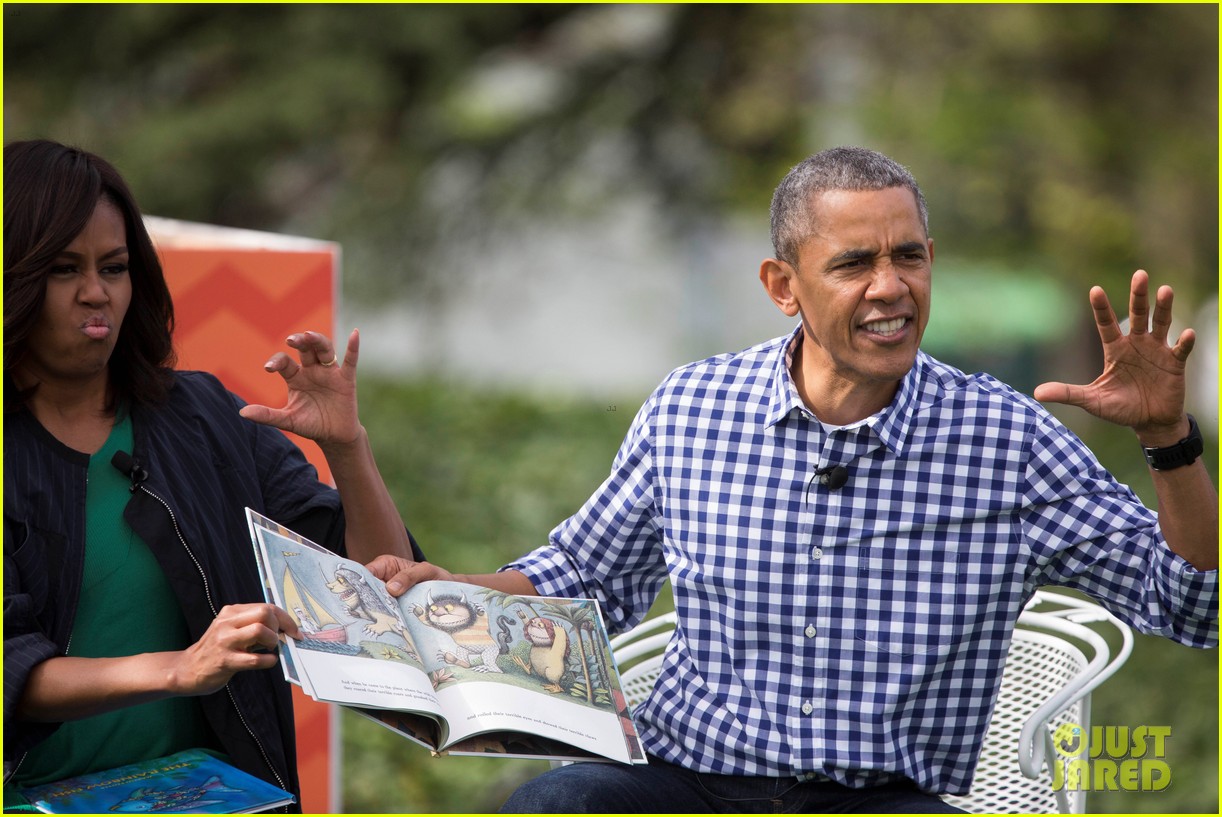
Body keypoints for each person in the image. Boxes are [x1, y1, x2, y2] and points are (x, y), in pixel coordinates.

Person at [367, 146, 1218, 813]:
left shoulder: (1007, 439)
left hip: (885, 798)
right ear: (784, 285)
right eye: (854, 263)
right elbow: (584, 575)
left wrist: (1169, 440)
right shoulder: (692, 407)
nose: (891, 287)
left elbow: (1193, 604)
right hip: (686, 783)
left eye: (909, 256)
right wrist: (455, 591)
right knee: (555, 804)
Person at [2, 139, 423, 810]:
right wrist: (180, 667)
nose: (95, 293)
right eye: (62, 269)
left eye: (114, 267)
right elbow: (9, 665)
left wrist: (348, 447)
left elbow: (378, 583)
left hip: (221, 793)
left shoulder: (203, 415)